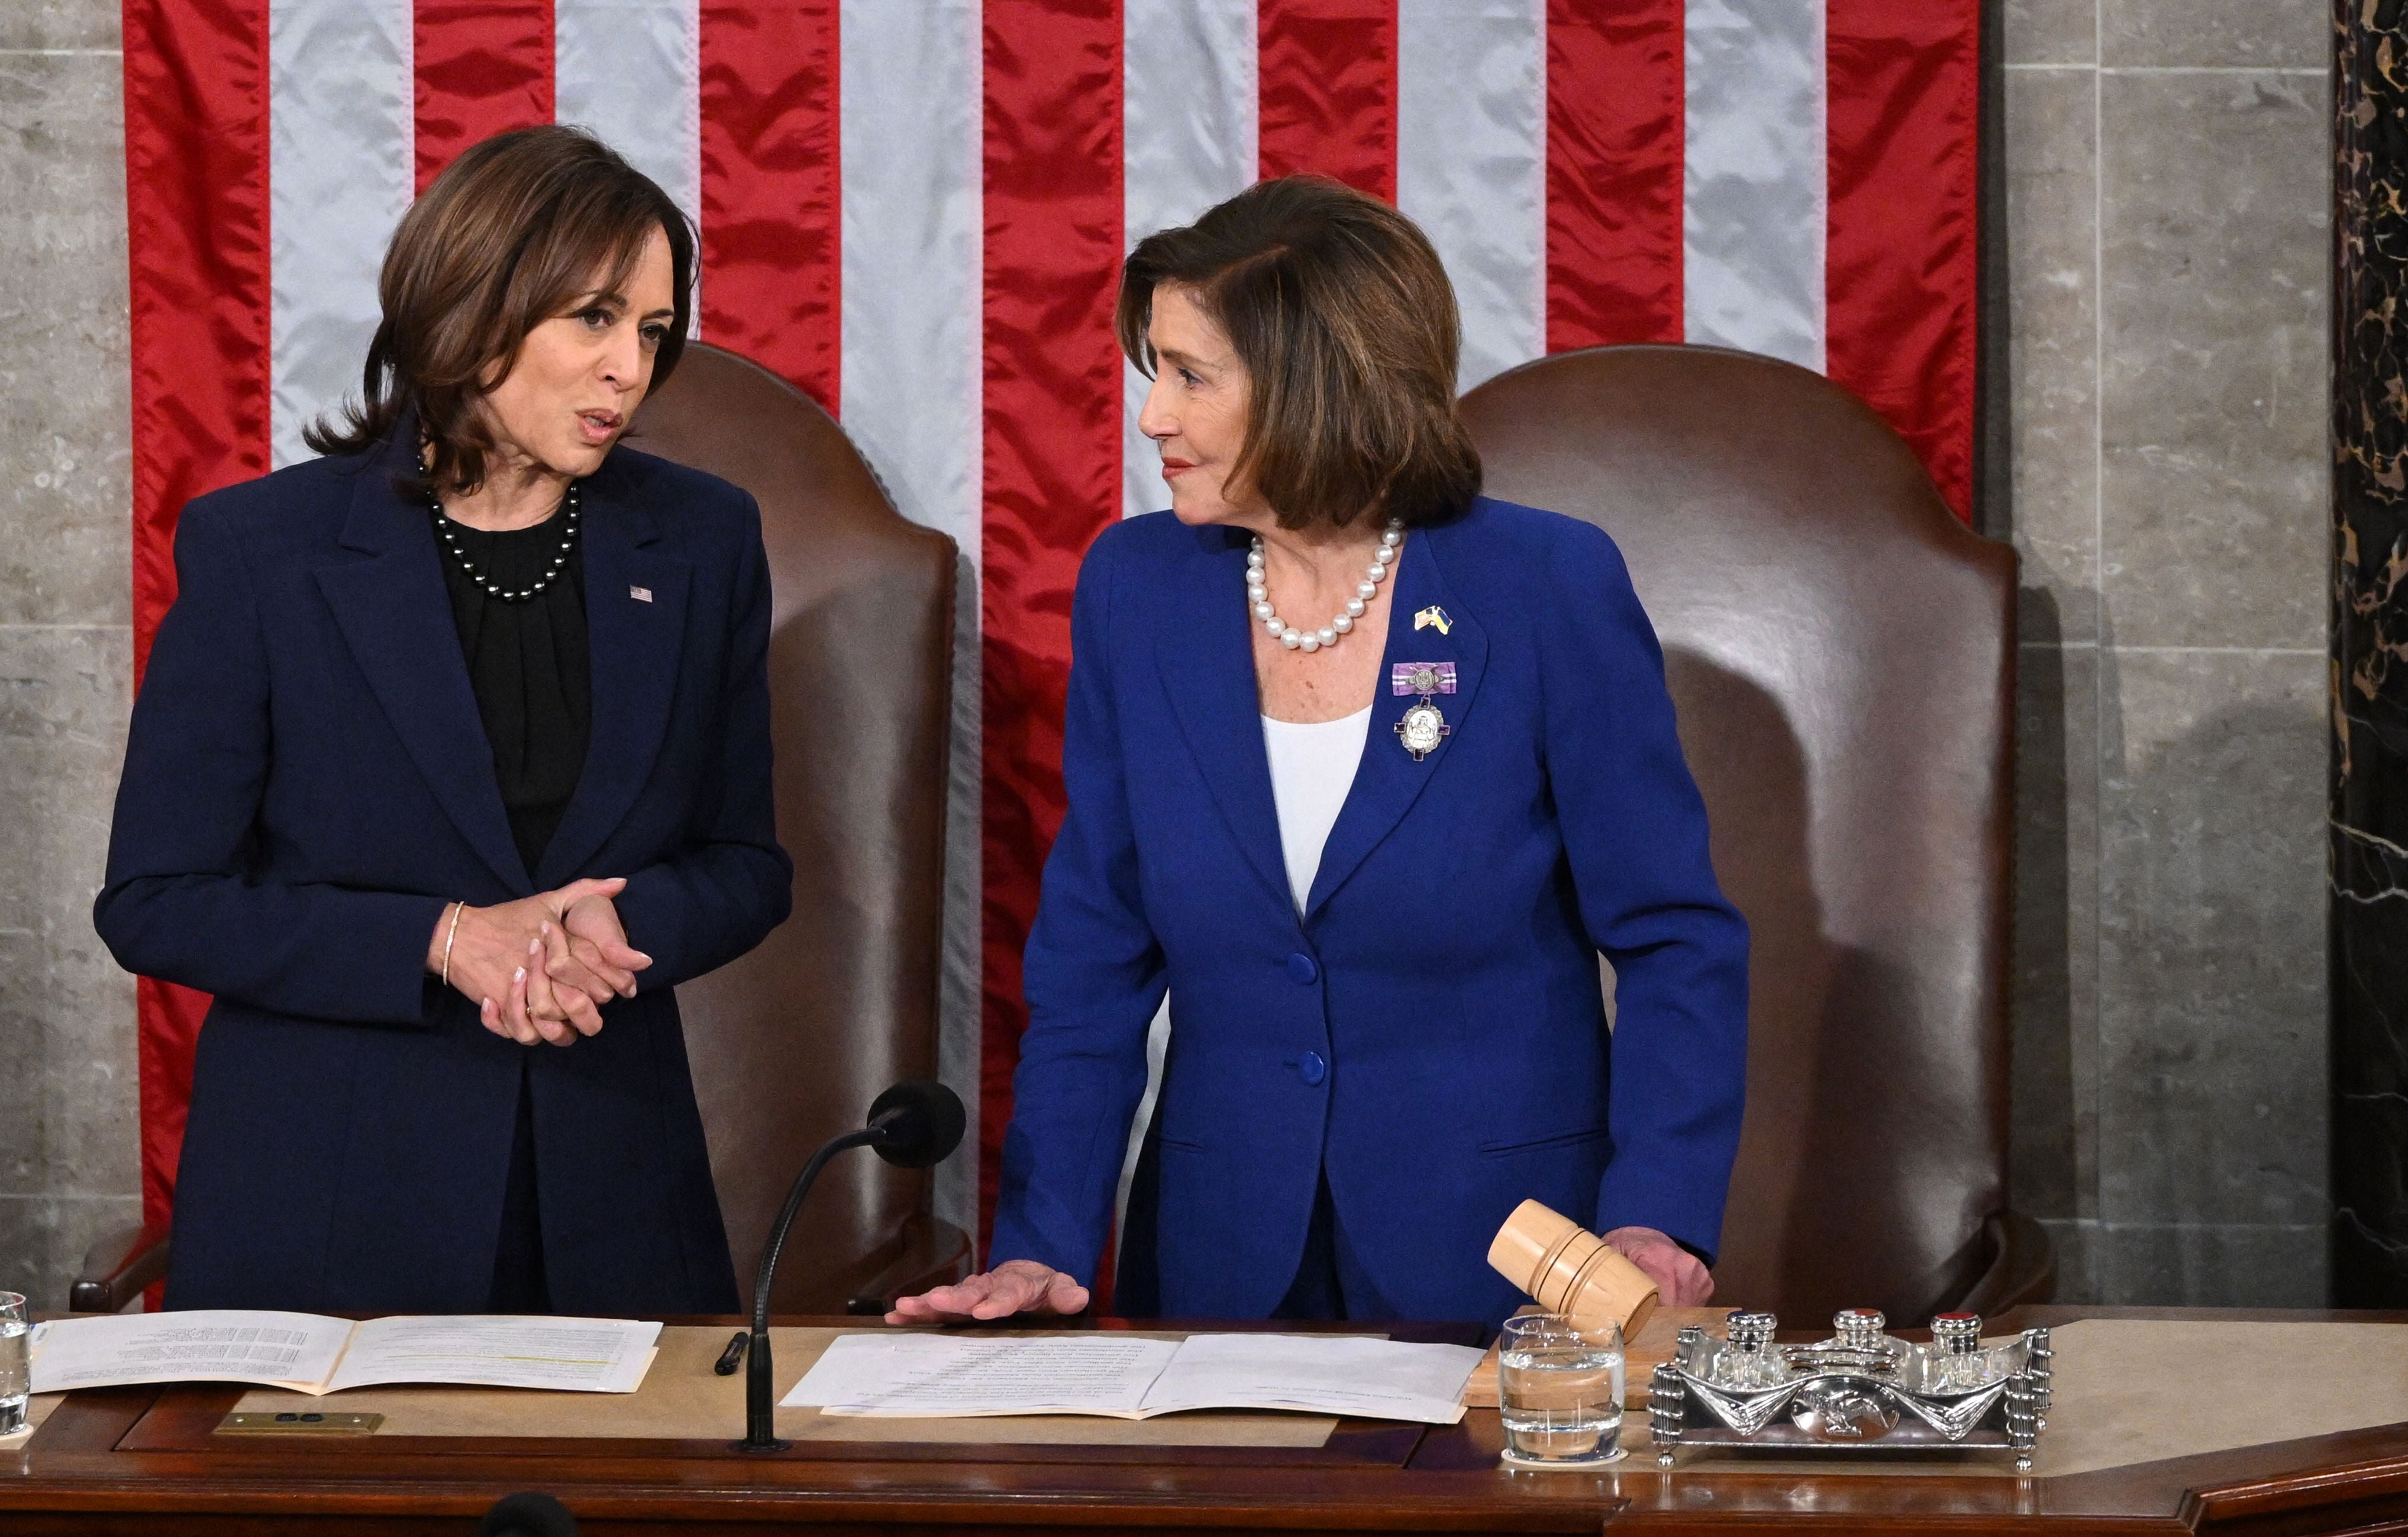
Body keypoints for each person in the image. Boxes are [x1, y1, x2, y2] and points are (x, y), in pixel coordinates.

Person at [897, 177, 1748, 1326]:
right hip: (1218, 1263)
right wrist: (1044, 1238)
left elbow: (1673, 937)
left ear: (1316, 386)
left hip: (1508, 1268)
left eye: (1193, 376)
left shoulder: (1544, 586)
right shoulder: (1136, 590)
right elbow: (1093, 958)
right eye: (1159, 373)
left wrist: (1657, 1208)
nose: (1154, 417)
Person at [98, 125, 792, 1315]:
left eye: (653, 331)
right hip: (331, 1211)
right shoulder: (266, 552)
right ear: (474, 313)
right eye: (593, 318)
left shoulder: (702, 541)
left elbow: (745, 863)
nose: (630, 366)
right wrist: (443, 937)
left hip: (616, 1195)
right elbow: (156, 899)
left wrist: (610, 921)